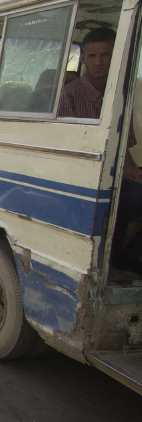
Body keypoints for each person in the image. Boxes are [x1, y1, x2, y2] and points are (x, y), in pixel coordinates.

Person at [59, 27, 142, 273]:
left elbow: (123, 144)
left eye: (105, 55)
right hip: (82, 172)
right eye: (93, 56)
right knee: (132, 196)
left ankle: (130, 254)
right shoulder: (69, 96)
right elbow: (70, 151)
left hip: (113, 170)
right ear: (83, 58)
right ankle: (111, 259)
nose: (99, 62)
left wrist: (131, 170)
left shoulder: (119, 96)